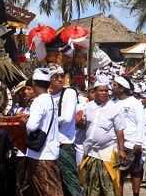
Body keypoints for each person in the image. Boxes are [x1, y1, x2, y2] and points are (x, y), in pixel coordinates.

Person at [79, 82, 126, 196]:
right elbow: (85, 125)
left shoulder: (115, 108)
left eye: (106, 90)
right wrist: (80, 122)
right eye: (101, 90)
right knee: (90, 183)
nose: (104, 93)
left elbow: (119, 131)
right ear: (94, 92)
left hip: (107, 152)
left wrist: (121, 150)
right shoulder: (88, 107)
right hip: (90, 152)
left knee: (108, 183)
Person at [25, 68, 63, 196]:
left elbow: (31, 126)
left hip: (41, 154)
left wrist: (25, 121)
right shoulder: (51, 99)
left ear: (35, 84)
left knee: (49, 190)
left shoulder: (39, 101)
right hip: (50, 150)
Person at [49, 65, 82, 196]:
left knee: (71, 182)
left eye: (61, 76)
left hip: (64, 144)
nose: (60, 79)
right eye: (55, 77)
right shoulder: (47, 95)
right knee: (53, 181)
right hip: (49, 145)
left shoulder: (69, 93)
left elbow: (67, 118)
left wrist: (45, 122)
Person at [112, 76, 145, 196]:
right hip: (119, 144)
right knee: (119, 173)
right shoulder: (113, 102)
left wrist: (139, 142)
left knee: (136, 172)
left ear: (122, 88)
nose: (112, 87)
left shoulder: (134, 103)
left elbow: (141, 122)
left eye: (115, 85)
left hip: (132, 143)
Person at [9, 80, 34, 196]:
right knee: (17, 181)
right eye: (23, 90)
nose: (25, 92)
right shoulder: (14, 109)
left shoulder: (36, 108)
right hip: (18, 152)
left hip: (32, 151)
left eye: (29, 89)